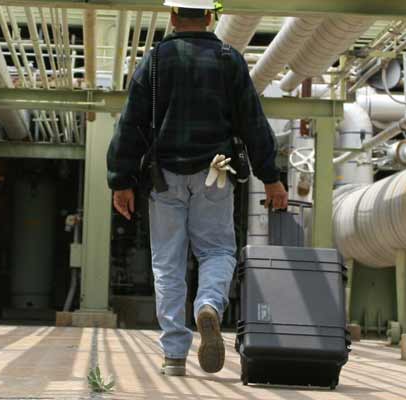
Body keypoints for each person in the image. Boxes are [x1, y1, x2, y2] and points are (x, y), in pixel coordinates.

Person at [106, 0, 288, 377]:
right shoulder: (229, 60)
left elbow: (131, 125)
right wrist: (270, 177)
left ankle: (174, 354)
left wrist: (121, 179)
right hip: (214, 174)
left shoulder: (154, 62)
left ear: (172, 16)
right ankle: (207, 304)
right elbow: (253, 123)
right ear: (211, 16)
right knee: (218, 250)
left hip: (164, 177)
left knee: (168, 263)